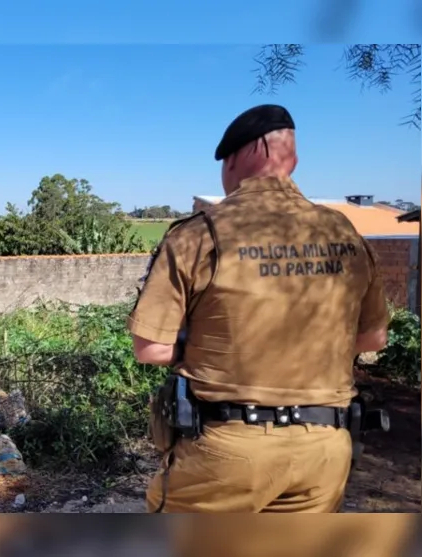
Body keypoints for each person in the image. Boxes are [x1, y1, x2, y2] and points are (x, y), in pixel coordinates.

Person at [128, 104, 391, 514]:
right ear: (293, 160)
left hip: (227, 453)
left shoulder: (200, 233)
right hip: (324, 452)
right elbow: (373, 338)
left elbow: (151, 348)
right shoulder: (346, 233)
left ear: (236, 158)